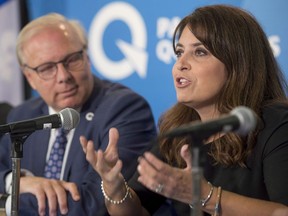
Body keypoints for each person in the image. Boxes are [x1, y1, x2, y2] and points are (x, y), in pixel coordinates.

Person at [80, 4, 288, 216]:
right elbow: (136, 212)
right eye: (179, 52)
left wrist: (202, 194)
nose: (181, 64)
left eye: (199, 52)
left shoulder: (277, 124)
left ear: (239, 64)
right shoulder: (179, 131)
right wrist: (114, 186)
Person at [0, 13, 157, 216]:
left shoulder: (125, 109)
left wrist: (10, 202)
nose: (64, 77)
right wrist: (16, 181)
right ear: (30, 77)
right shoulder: (23, 115)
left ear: (87, 57)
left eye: (72, 60)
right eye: (47, 68)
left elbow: (95, 203)